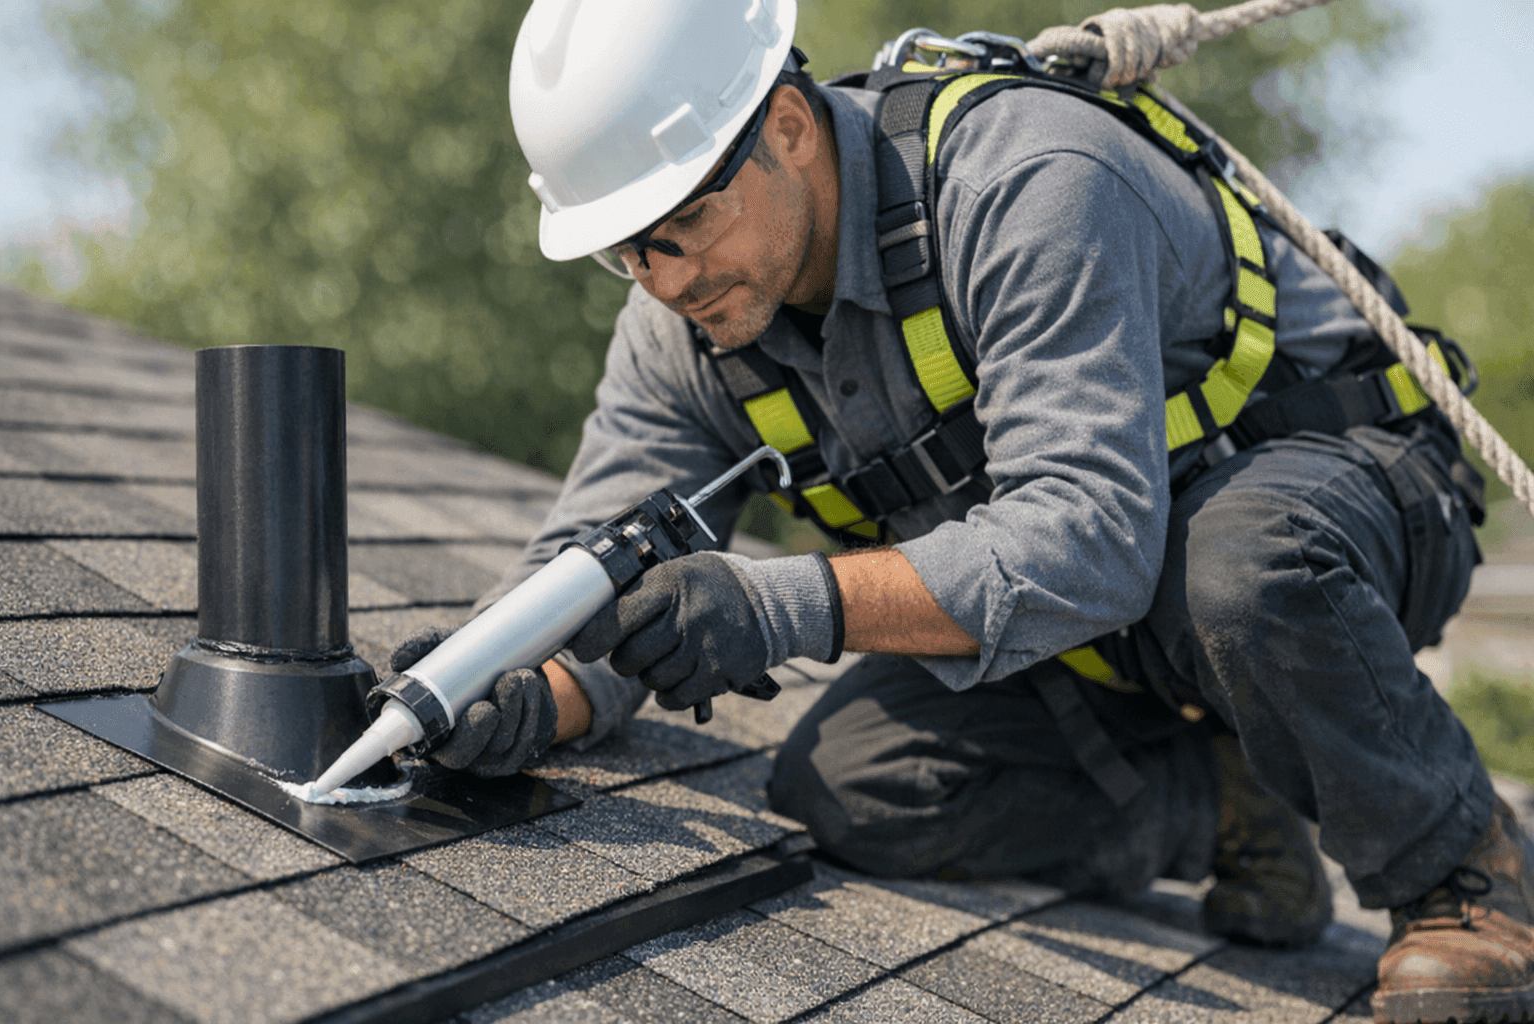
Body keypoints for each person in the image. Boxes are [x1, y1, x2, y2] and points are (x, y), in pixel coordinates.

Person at [392, 2, 1531, 1020]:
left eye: (678, 227)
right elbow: (599, 560)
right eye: (622, 252)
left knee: (1240, 561)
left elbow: (1087, 535)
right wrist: (521, 691)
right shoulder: (682, 328)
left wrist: (781, 606)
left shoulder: (1022, 182)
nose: (663, 278)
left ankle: (1462, 880)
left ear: (787, 125)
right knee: (857, 779)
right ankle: (1228, 795)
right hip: (1118, 604)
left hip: (1338, 502)